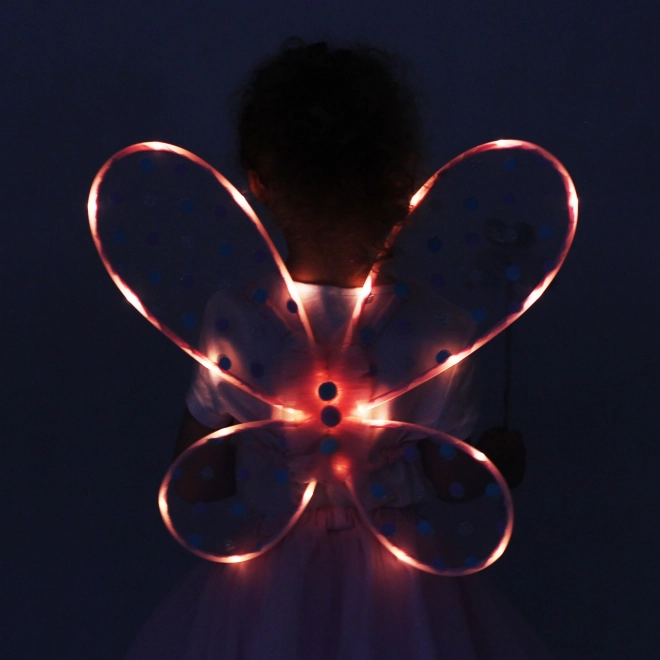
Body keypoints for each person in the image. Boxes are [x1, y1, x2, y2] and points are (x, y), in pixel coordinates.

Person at [124, 38, 552, 659]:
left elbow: (192, 482)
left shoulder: (234, 319)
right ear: (401, 179)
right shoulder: (440, 328)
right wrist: (498, 462)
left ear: (258, 183)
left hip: (262, 584)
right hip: (402, 593)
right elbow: (456, 485)